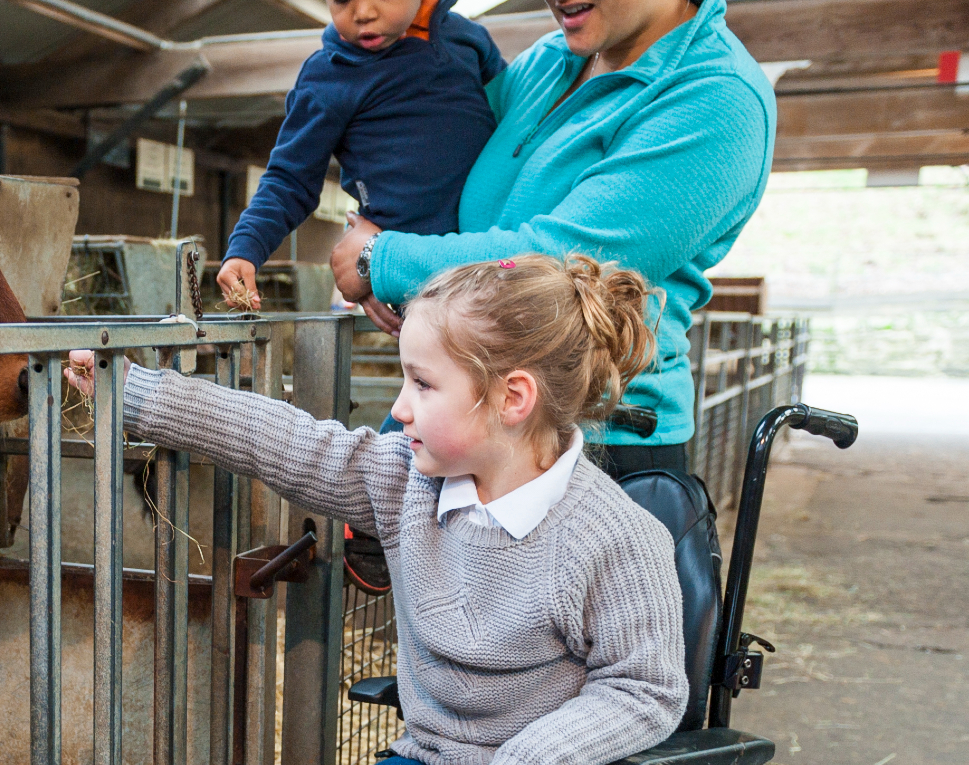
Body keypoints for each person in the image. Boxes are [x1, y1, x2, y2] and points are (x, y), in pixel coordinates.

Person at [69, 255, 686, 765]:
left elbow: (646, 689)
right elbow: (281, 440)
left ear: (512, 398)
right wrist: (133, 392)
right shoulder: (406, 483)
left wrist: (531, 758)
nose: (400, 408)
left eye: (423, 384)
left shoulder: (616, 539)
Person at [332, 0, 774, 479]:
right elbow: (438, 154)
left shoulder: (715, 99)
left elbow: (560, 265)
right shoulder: (547, 62)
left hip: (591, 444)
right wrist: (379, 216)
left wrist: (387, 259)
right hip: (468, 415)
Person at [217, 0, 504, 310]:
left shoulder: (468, 41)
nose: (363, 12)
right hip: (408, 274)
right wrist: (246, 248)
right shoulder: (328, 77)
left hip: (491, 252)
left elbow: (514, 122)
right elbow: (290, 178)